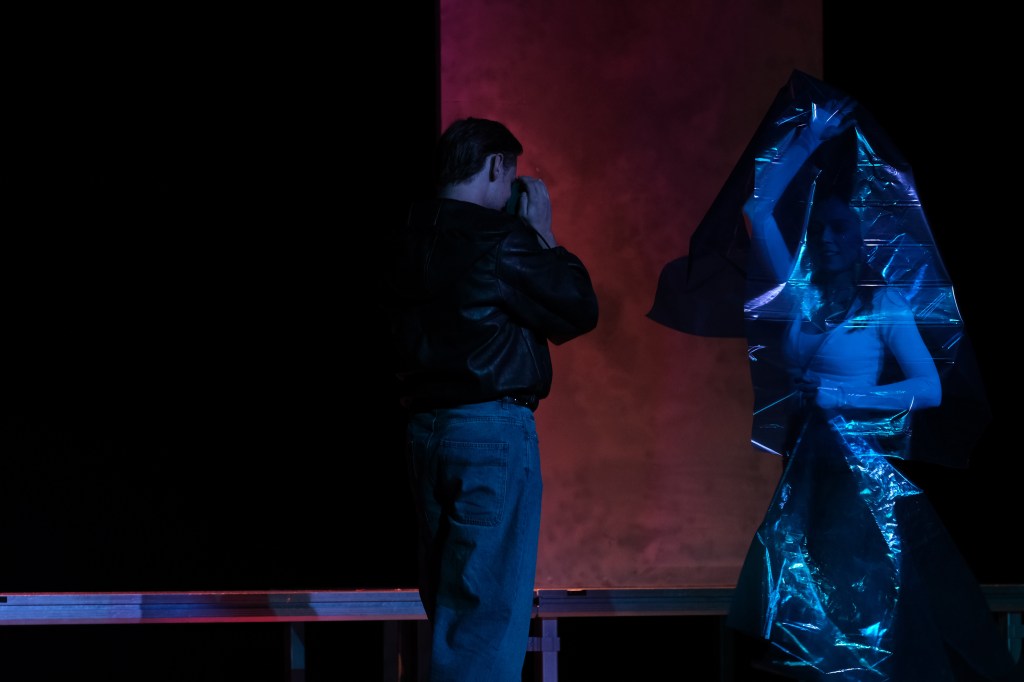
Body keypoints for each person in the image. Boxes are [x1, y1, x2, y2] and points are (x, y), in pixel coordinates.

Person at [726, 94, 1020, 681]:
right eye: (819, 229)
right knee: (798, 596)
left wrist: (843, 398)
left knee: (853, 600)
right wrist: (808, 140)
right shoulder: (801, 296)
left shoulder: (884, 304)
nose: (828, 239)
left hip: (856, 468)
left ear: (862, 238)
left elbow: (929, 388)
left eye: (840, 228)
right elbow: (757, 209)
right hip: (805, 463)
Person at [385, 117, 599, 681]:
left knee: (452, 611)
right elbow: (578, 307)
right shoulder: (500, 240)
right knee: (485, 618)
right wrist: (543, 232)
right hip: (490, 432)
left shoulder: (406, 236)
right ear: (496, 166)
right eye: (508, 178)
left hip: (425, 434)